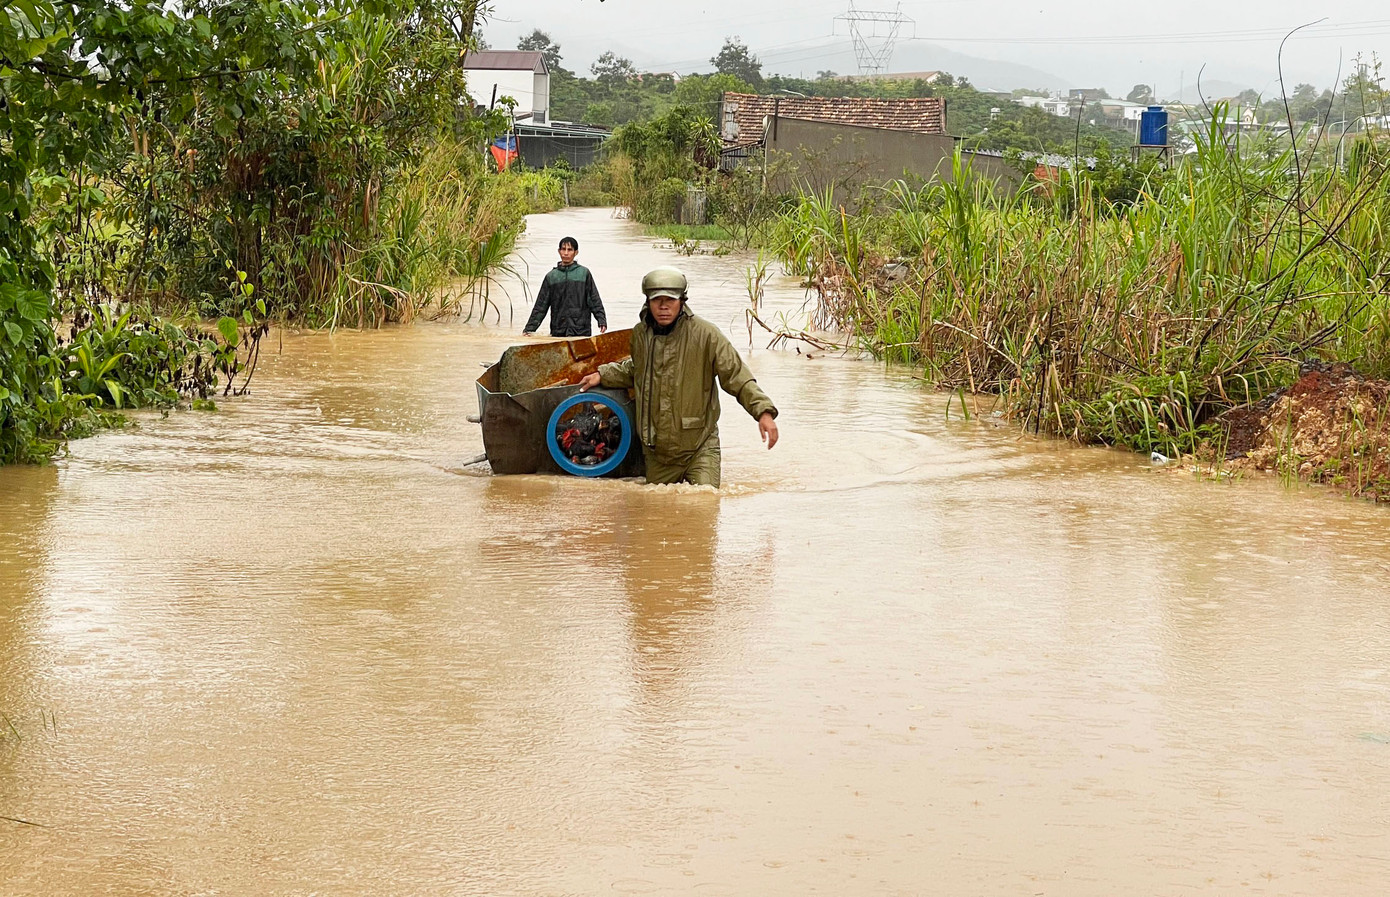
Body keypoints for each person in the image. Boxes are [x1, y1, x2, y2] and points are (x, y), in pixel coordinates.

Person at [578, 266, 778, 487]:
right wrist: (603, 375)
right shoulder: (640, 334)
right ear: (648, 302)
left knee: (704, 505)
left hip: (699, 447)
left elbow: (736, 375)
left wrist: (763, 412)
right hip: (657, 453)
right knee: (657, 514)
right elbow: (639, 370)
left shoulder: (706, 335)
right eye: (657, 300)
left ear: (682, 301)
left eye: (670, 300)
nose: (663, 307)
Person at [523, 236, 607, 337]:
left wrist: (601, 320)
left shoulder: (584, 274)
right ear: (559, 251)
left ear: (576, 252)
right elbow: (541, 306)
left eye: (570, 250)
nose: (566, 253)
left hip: (581, 330)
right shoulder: (552, 276)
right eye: (563, 249)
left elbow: (594, 299)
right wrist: (529, 329)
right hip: (558, 330)